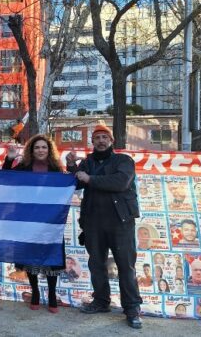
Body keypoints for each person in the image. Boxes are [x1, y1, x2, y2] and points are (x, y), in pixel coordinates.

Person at [66, 124, 143, 329]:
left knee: (126, 266)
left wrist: (90, 178)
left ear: (111, 141)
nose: (101, 141)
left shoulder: (124, 161)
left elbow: (120, 182)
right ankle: (101, 301)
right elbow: (76, 184)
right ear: (93, 142)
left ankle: (132, 308)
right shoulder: (88, 162)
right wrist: (72, 167)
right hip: (93, 223)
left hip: (121, 222)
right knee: (96, 264)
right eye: (97, 137)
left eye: (104, 137)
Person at [2, 134, 68, 313]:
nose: (40, 150)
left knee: (51, 258)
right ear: (32, 150)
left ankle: (52, 295)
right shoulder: (23, 167)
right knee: (30, 257)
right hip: (27, 221)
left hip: (50, 221)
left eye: (44, 147)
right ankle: (36, 292)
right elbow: (6, 178)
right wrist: (9, 160)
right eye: (37, 147)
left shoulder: (56, 169)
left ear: (49, 150)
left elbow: (70, 186)